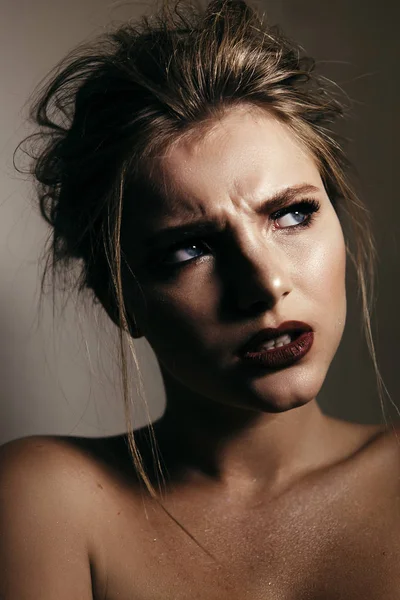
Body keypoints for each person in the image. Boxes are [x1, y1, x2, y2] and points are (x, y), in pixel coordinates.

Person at [1, 0, 399, 597]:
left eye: (292, 214)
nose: (264, 285)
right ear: (118, 298)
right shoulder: (47, 501)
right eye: (189, 250)